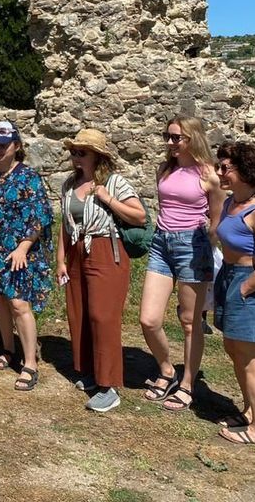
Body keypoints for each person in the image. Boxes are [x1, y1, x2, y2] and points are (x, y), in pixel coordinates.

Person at [139, 116, 224, 411]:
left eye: (177, 138)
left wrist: (207, 242)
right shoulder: (164, 169)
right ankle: (167, 370)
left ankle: (187, 384)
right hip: (162, 243)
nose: (170, 143)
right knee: (148, 319)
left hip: (193, 245)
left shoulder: (209, 174)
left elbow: (217, 218)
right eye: (168, 136)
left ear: (193, 138)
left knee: (189, 322)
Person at [57, 128, 145, 412]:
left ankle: (109, 386)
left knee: (102, 315)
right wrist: (60, 260)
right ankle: (90, 372)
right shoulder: (69, 184)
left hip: (106, 249)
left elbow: (139, 215)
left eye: (82, 152)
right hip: (76, 251)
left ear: (97, 156)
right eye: (74, 151)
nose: (76, 157)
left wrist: (107, 199)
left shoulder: (114, 182)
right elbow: (64, 223)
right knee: (78, 311)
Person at [212, 141, 255, 446]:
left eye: (225, 167)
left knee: (253, 359)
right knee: (234, 348)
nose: (219, 172)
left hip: (251, 284)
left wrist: (243, 288)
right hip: (229, 277)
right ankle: (250, 411)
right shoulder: (231, 203)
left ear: (245, 170)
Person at [0, 121, 53, 391]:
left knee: (19, 304)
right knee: (0, 299)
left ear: (17, 146)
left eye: (4, 144)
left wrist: (23, 246)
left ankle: (30, 362)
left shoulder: (28, 176)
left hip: (19, 249)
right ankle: (8, 348)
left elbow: (40, 214)